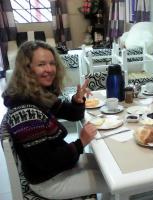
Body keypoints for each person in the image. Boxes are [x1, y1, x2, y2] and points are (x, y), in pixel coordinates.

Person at [1, 40, 110, 199]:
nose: (49, 69)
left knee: (106, 164)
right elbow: (46, 163)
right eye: (41, 64)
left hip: (56, 169)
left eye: (52, 63)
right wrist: (81, 143)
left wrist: (77, 100)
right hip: (48, 182)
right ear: (27, 69)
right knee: (111, 179)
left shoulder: (36, 95)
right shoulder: (25, 111)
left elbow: (73, 114)